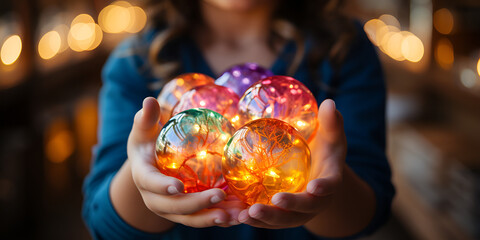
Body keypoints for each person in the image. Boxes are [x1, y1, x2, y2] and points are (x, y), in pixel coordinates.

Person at [82, 0, 395, 239]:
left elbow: (370, 209)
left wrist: (327, 189)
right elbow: (103, 222)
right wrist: (142, 180)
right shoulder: (134, 61)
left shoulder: (345, 49)